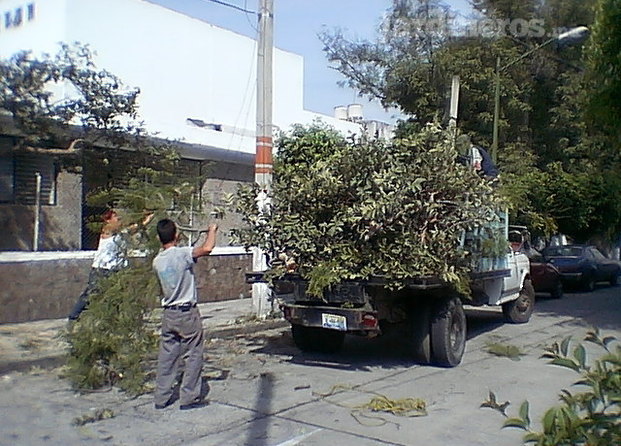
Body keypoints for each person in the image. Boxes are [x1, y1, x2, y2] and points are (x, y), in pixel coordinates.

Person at [152, 219, 218, 410]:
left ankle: (161, 398)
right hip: (187, 312)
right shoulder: (181, 254)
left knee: (167, 357)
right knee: (193, 354)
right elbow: (207, 248)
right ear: (177, 236)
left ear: (159, 238)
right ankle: (189, 397)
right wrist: (211, 230)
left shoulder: (157, 261)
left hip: (169, 314)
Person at [68, 209, 153, 321]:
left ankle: (112, 320)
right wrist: (136, 216)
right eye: (116, 217)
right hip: (102, 269)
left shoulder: (122, 232)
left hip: (117, 270)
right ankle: (74, 317)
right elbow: (123, 228)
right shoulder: (107, 230)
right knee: (91, 294)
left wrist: (147, 218)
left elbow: (136, 227)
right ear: (108, 220)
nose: (119, 219)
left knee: (117, 296)